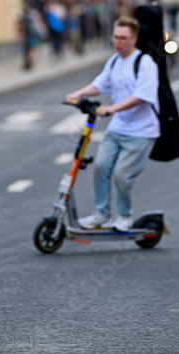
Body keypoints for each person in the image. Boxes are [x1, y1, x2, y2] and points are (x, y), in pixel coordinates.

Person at [65, 15, 159, 231]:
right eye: (115, 37)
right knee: (100, 167)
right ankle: (101, 215)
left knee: (122, 175)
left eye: (123, 38)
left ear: (134, 39)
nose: (118, 42)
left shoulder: (145, 63)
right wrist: (77, 94)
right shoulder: (115, 61)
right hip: (118, 128)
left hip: (141, 131)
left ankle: (125, 216)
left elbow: (142, 96)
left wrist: (112, 109)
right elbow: (99, 84)